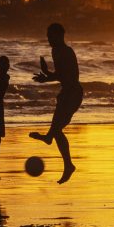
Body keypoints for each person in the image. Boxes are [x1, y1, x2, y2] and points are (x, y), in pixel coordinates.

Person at [29, 23, 83, 184]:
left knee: (57, 130)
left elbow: (70, 77)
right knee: (57, 130)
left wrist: (47, 75)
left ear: (60, 36)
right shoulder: (55, 51)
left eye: (50, 36)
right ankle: (66, 162)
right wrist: (46, 76)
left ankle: (63, 159)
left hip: (73, 94)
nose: (48, 39)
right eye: (47, 36)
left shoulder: (67, 52)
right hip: (65, 93)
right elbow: (60, 75)